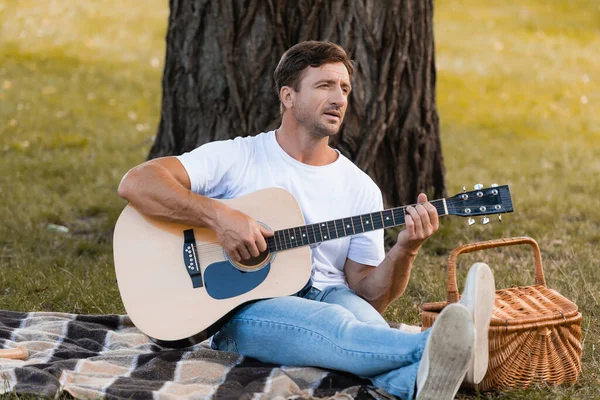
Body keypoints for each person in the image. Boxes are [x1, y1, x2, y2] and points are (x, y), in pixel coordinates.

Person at [118, 40, 495, 400]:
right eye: (325, 85)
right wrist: (220, 217)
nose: (339, 98)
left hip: (333, 294)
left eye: (345, 88)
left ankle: (415, 382)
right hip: (245, 308)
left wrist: (407, 249)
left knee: (370, 332)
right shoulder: (239, 157)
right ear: (288, 96)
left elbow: (368, 293)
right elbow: (137, 182)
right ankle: (442, 345)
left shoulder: (360, 188)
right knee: (336, 328)